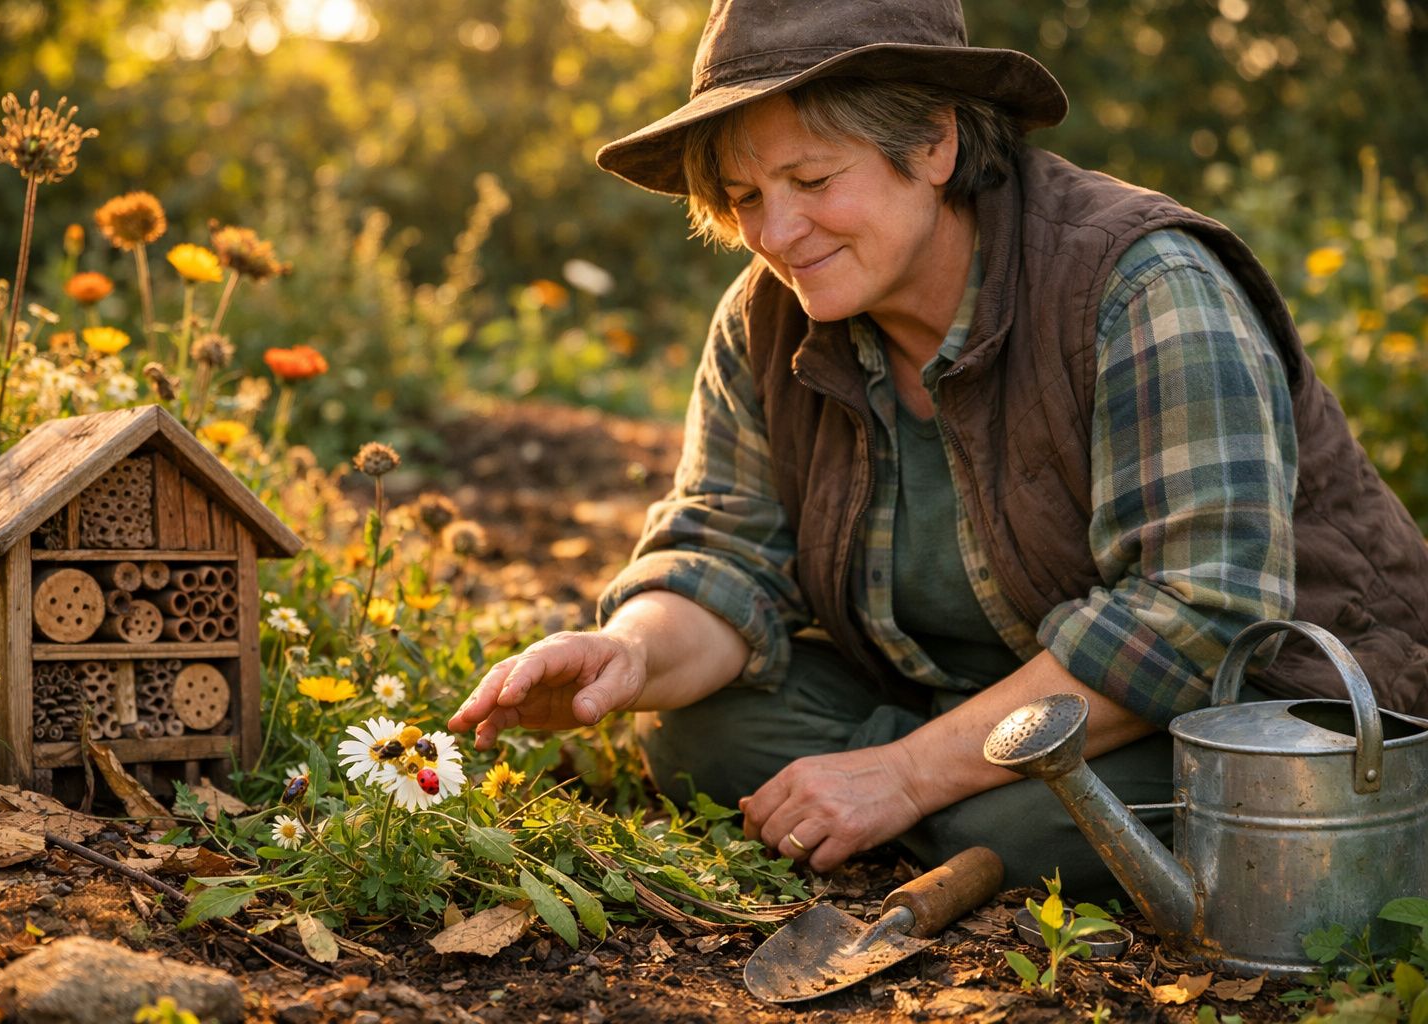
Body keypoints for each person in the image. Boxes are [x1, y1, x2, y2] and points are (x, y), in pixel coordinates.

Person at [449, 0, 1428, 896]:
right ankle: (947, 800)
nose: (777, 234)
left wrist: (901, 773)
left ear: (934, 144)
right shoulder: (768, 321)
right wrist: (625, 651)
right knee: (696, 728)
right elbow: (721, 552)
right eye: (746, 196)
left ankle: (930, 799)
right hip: (964, 693)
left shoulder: (1141, 286)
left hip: (1246, 710)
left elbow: (1196, 614)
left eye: (812, 179)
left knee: (1041, 819)